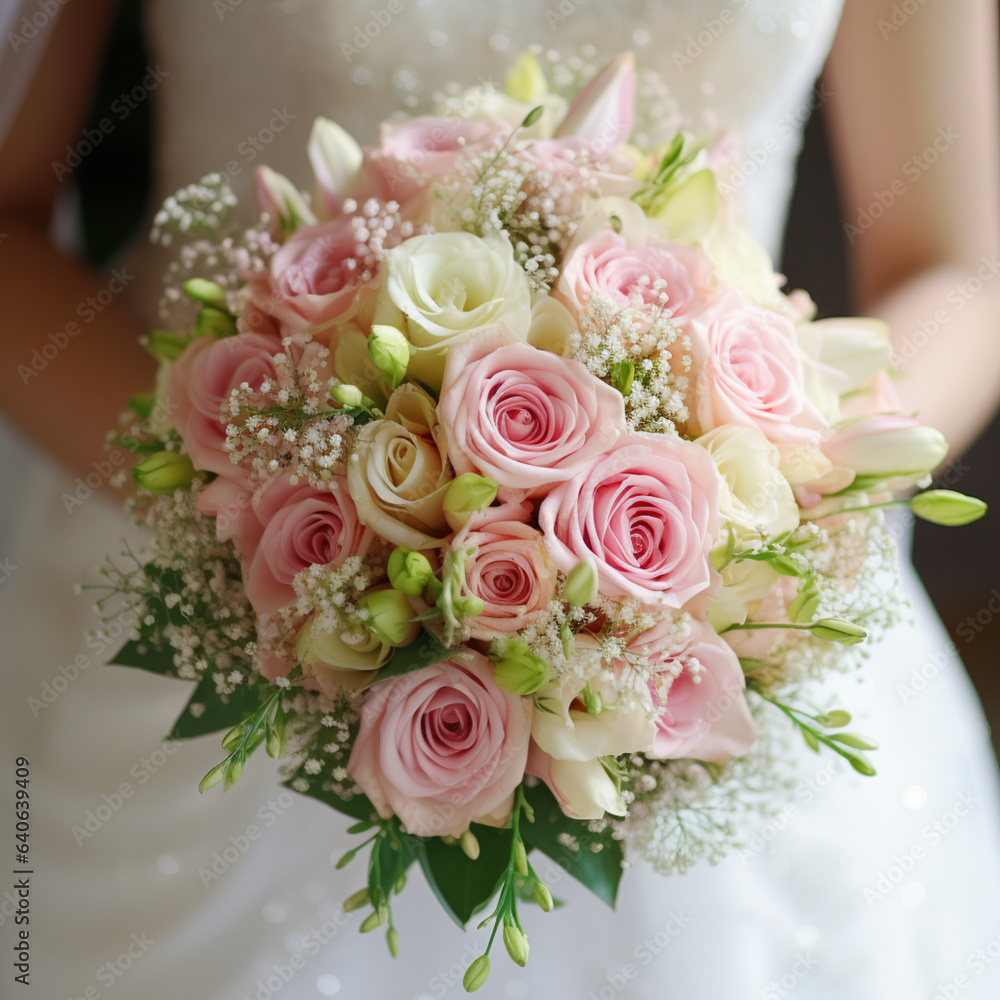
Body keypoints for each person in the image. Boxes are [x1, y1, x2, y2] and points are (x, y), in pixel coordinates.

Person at [1, 2, 999, 997]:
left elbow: (957, 270)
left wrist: (760, 505)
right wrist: (281, 495)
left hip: (721, 601)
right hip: (204, 554)